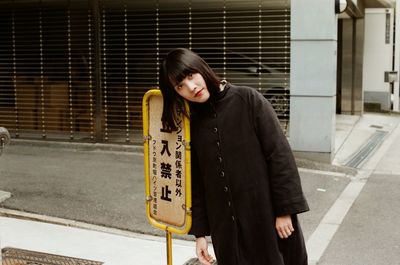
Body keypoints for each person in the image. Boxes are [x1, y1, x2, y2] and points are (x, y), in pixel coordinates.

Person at [159, 48, 309, 265]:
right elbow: (197, 183)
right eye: (180, 86)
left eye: (191, 76)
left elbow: (279, 155)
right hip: (227, 232)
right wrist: (200, 234)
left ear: (201, 68)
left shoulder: (248, 100)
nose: (191, 87)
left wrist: (284, 211)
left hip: (268, 219)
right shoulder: (192, 124)